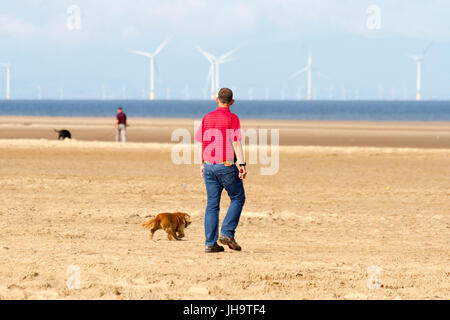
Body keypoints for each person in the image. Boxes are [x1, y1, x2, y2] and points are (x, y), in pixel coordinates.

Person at [195, 88, 247, 253]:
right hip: (225, 165)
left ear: (217, 100)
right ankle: (227, 233)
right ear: (232, 102)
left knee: (212, 205)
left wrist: (201, 163)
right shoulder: (233, 118)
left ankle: (210, 243)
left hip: (209, 165)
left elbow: (199, 142)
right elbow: (237, 143)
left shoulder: (207, 117)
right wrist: (242, 164)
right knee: (238, 197)